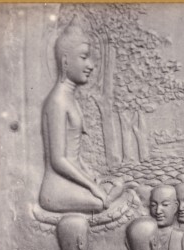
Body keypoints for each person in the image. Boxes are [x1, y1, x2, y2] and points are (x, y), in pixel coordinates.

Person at [38, 20, 125, 214]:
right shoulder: (57, 101)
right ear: (65, 61)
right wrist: (93, 187)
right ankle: (100, 197)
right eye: (84, 57)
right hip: (57, 187)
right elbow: (59, 160)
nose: (91, 65)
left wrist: (92, 176)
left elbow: (75, 157)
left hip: (76, 179)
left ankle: (100, 194)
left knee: (119, 184)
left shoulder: (70, 98)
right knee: (100, 202)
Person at [149, 185, 184, 250]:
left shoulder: (181, 237)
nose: (158, 211)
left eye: (165, 205)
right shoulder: (144, 236)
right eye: (153, 205)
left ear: (175, 207)